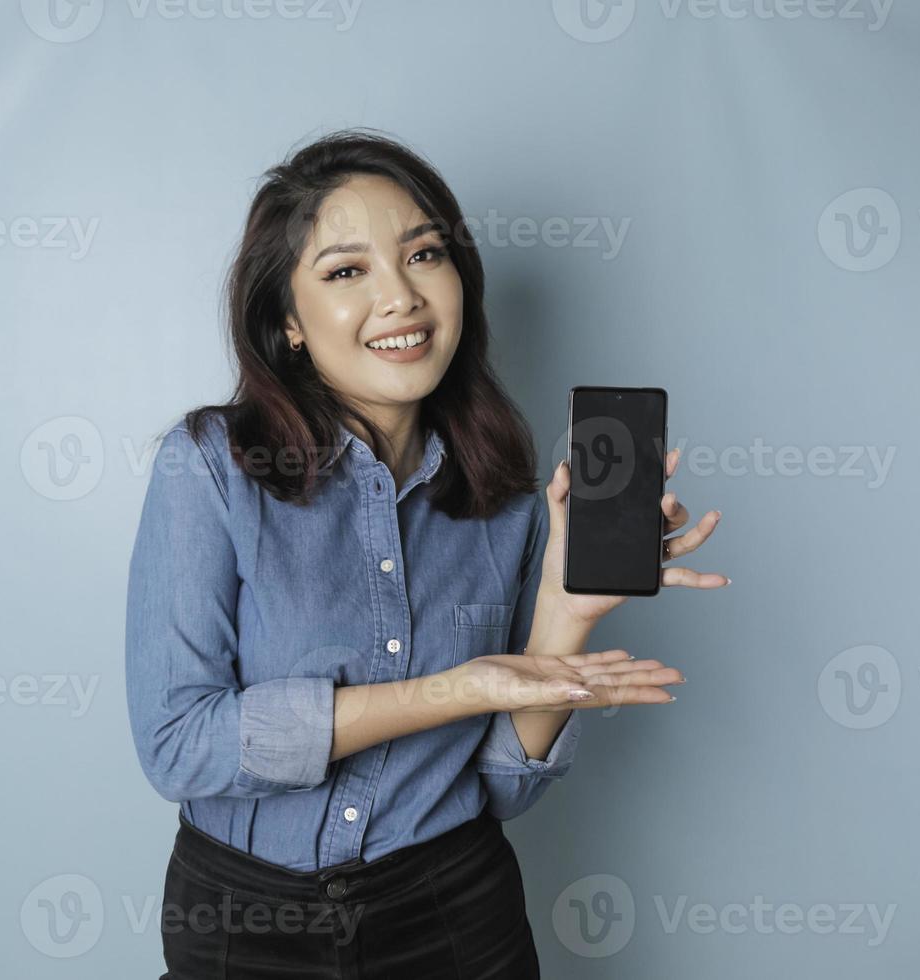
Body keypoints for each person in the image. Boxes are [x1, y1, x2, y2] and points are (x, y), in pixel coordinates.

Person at [125, 128, 727, 978]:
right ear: (288, 322)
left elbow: (503, 789)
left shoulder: (508, 495)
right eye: (345, 271)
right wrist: (453, 690)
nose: (401, 297)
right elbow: (181, 745)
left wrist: (564, 613)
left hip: (456, 911)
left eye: (424, 255)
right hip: (241, 921)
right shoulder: (211, 469)